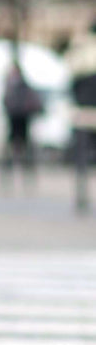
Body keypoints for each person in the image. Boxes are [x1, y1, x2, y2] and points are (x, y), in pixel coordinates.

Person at [64, 21, 96, 212]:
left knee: (81, 161)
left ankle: (81, 197)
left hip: (82, 114)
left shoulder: (80, 51)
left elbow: (70, 79)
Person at [1, 57, 43, 184]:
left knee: (24, 152)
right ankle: (9, 179)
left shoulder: (20, 86)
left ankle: (25, 178)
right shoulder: (10, 86)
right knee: (12, 152)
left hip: (22, 121)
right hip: (14, 121)